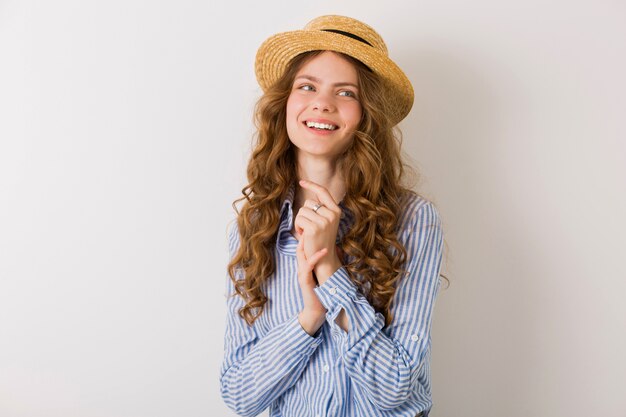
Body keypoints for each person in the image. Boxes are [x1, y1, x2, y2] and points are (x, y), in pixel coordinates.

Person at [220, 15, 445, 417]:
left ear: (366, 115)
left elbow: (394, 391)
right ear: (285, 104)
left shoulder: (413, 220)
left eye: (345, 92)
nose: (322, 103)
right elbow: (240, 395)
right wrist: (311, 315)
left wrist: (330, 272)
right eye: (307, 86)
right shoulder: (254, 228)